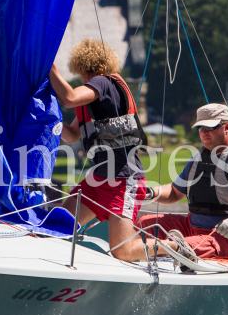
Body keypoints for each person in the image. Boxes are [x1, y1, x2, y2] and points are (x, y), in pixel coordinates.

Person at [48, 38, 152, 262]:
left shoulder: (103, 83)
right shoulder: (95, 99)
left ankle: (173, 246)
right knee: (58, 225)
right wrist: (49, 122)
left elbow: (69, 98)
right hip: (98, 179)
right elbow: (73, 135)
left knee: (122, 252)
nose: (81, 79)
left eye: (82, 74)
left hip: (125, 180)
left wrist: (49, 66)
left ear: (88, 69)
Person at [139, 103, 228, 262]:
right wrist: (152, 193)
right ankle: (131, 260)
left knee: (179, 245)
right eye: (200, 128)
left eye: (210, 127)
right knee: (143, 223)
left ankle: (172, 253)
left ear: (226, 127)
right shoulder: (198, 158)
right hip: (192, 230)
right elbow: (175, 192)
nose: (204, 133)